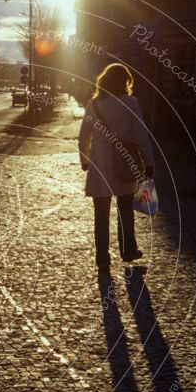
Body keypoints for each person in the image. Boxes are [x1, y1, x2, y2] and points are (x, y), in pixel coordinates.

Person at [78, 63, 155, 273]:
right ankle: (128, 249)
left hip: (99, 166)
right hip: (124, 165)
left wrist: (85, 160)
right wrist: (149, 163)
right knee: (125, 209)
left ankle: (102, 257)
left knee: (100, 215)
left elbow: (84, 135)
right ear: (125, 82)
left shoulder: (93, 105)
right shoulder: (131, 103)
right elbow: (141, 136)